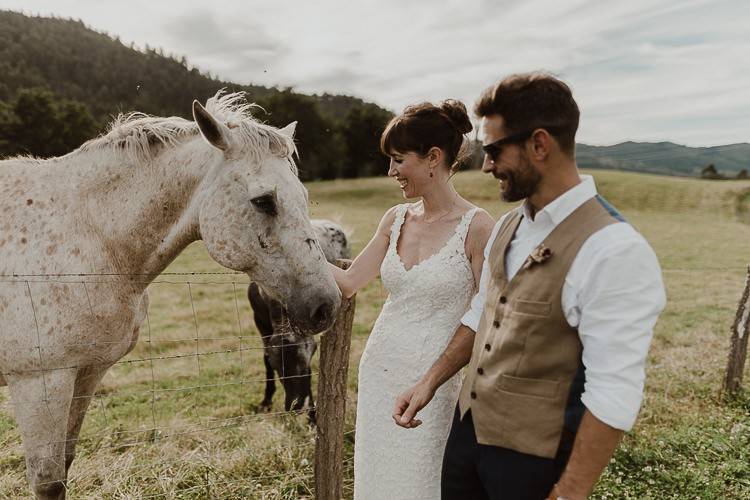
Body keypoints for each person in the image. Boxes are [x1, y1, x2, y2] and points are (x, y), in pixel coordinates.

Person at [393, 73, 666, 500]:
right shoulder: (507, 225)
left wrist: (571, 492)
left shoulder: (614, 249)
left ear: (540, 144)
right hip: (466, 441)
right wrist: (430, 381)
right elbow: (480, 312)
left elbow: (615, 392)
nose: (486, 166)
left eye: (495, 150)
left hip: (532, 462)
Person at [329, 100, 495, 499]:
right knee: (379, 479)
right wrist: (288, 252)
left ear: (433, 158)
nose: (391, 172)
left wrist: (429, 382)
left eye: (398, 160)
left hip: (436, 386)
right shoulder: (395, 219)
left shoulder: (477, 227)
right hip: (380, 372)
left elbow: (486, 314)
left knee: (423, 483)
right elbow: (350, 281)